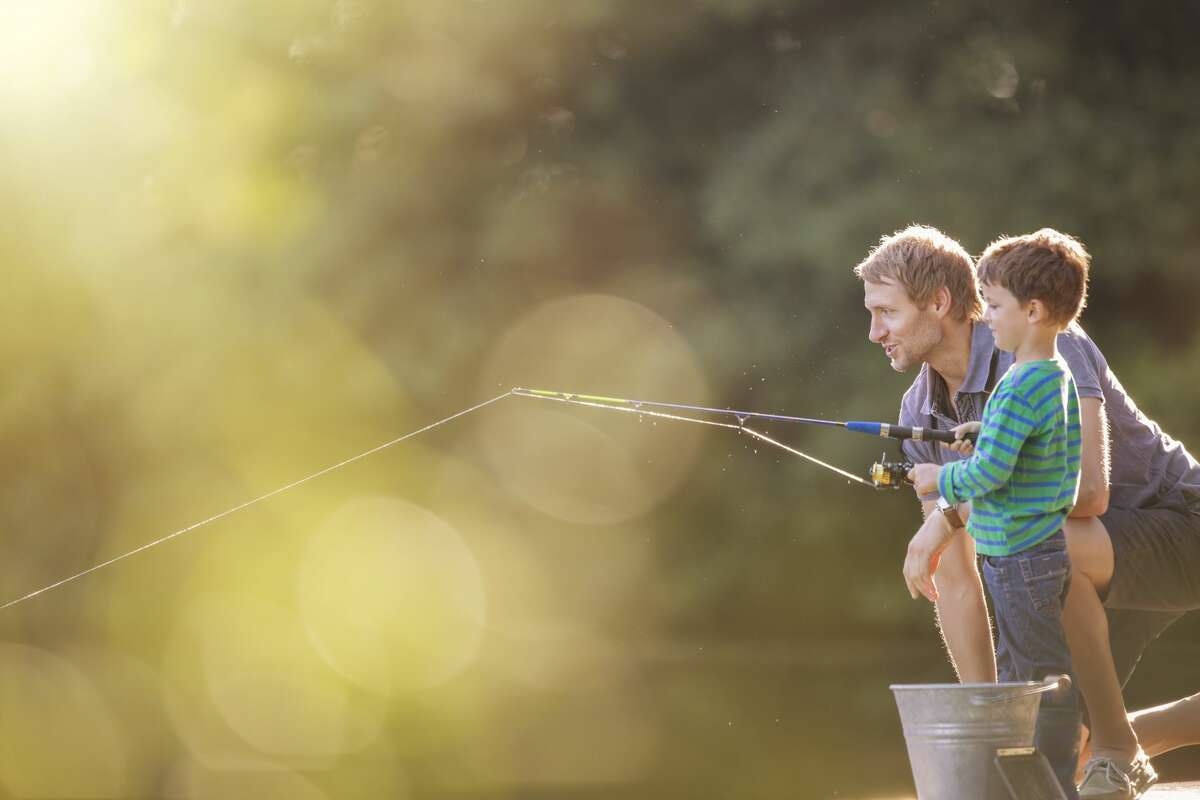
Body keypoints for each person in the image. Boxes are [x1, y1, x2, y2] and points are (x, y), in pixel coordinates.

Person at [855, 225, 1200, 800]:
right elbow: (957, 577)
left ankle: (1114, 747)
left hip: (1180, 527)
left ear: (938, 302)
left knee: (1039, 541)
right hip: (1083, 569)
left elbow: (1087, 493)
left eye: (885, 312)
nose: (874, 332)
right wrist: (992, 727)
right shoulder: (919, 407)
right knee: (1052, 751)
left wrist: (949, 511)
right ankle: (1119, 747)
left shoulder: (1047, 341)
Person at [900, 229, 1087, 797]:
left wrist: (937, 477)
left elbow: (986, 475)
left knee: (1037, 681)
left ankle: (1053, 783)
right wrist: (985, 432)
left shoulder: (1017, 384)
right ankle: (1031, 780)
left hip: (1018, 557)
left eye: (997, 306)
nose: (988, 316)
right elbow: (1034, 448)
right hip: (1037, 552)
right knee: (1024, 671)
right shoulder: (1050, 378)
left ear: (1033, 311)